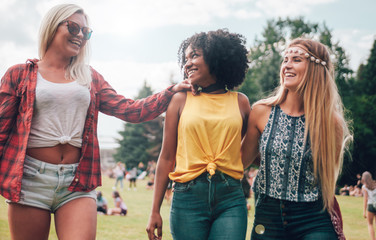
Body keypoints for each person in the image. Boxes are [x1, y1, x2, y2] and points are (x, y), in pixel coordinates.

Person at [0, 4, 191, 240]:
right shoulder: (19, 74)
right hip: (30, 180)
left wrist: (170, 92)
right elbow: (1, 131)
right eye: (73, 27)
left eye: (85, 32)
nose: (80, 35)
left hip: (77, 181)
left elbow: (129, 110)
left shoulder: (89, 77)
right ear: (52, 26)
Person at [241, 38, 352, 240]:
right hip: (268, 215)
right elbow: (239, 162)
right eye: (285, 60)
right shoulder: (261, 111)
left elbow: (326, 177)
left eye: (296, 59)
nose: (287, 65)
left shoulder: (331, 123)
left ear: (316, 69)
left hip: (313, 218)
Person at [146, 29, 251, 240]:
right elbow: (166, 157)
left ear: (216, 57)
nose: (187, 64)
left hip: (230, 198)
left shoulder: (241, 102)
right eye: (185, 59)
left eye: (194, 55)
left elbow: (252, 150)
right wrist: (155, 210)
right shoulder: (179, 100)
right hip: (187, 199)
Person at [361, 171, 376, 240]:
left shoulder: (364, 187)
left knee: (370, 224)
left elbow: (365, 199)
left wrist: (364, 211)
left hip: (370, 206)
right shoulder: (375, 183)